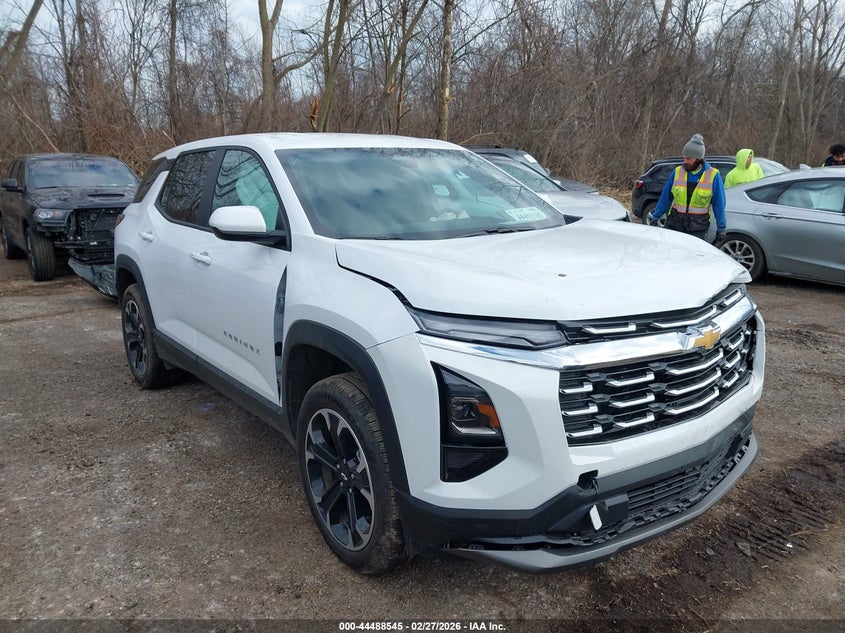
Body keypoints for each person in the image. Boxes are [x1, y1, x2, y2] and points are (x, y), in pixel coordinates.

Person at [648, 134, 726, 242]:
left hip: (697, 229)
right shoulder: (677, 172)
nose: (685, 161)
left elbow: (719, 204)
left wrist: (721, 227)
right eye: (684, 157)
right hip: (674, 225)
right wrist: (656, 216)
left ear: (698, 159)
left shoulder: (713, 176)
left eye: (688, 158)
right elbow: (665, 198)